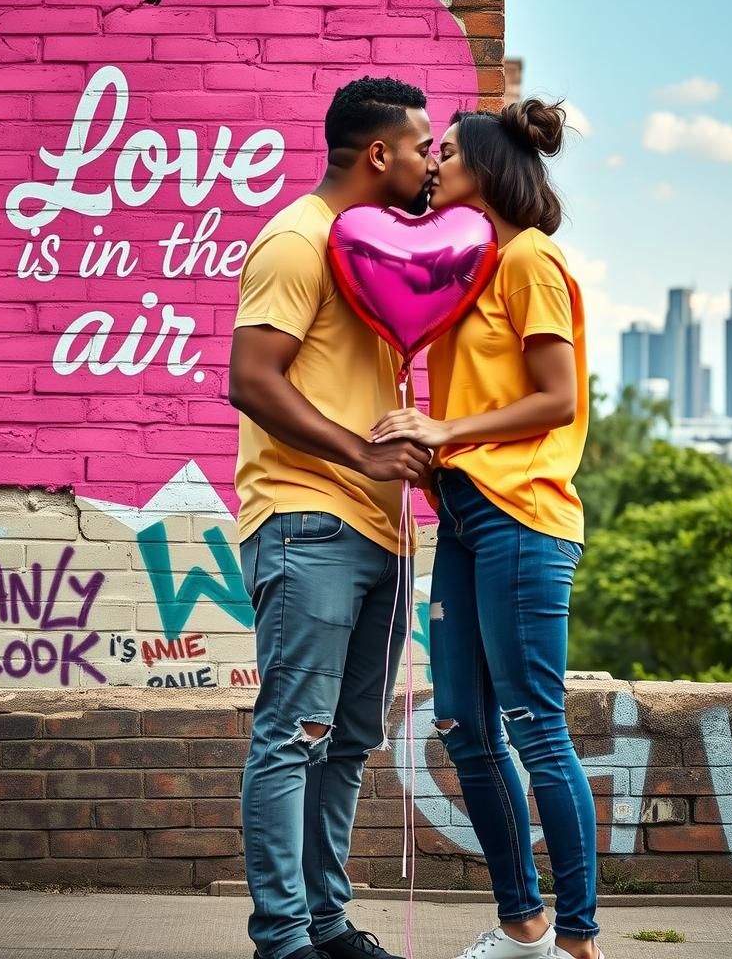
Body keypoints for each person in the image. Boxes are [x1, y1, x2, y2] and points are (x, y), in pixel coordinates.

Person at [371, 99, 602, 959]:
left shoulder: (531, 260)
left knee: (537, 725)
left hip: (524, 519)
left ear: (489, 172)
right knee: (463, 725)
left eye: (450, 156)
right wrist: (433, 453)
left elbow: (557, 397)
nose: (433, 167)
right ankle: (524, 926)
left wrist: (444, 431)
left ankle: (578, 941)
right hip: (469, 516)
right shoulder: (475, 269)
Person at [228, 77, 436, 959]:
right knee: (294, 735)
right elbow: (253, 378)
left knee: (347, 740)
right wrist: (360, 454)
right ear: (379, 153)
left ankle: (327, 923)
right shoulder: (297, 239)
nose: (433, 162)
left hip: (385, 538)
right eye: (425, 147)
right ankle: (282, 938)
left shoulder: (375, 247)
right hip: (308, 521)